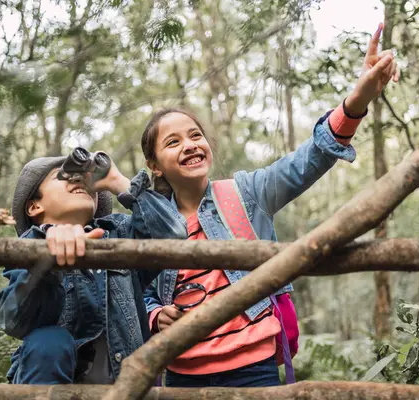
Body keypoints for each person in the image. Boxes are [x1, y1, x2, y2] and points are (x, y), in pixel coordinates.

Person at [142, 23, 400, 388]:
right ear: (154, 165)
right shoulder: (147, 222)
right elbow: (141, 292)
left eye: (195, 135)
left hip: (254, 369)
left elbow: (310, 158)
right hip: (183, 376)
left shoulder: (246, 193)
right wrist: (155, 314)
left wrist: (359, 97)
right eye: (173, 142)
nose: (189, 145)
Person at [0, 153, 186, 384]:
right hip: (53, 385)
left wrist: (116, 180)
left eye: (82, 178)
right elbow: (14, 320)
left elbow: (172, 232)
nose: (77, 180)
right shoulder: (28, 247)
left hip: (127, 387)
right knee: (48, 341)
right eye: (61, 176)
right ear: (34, 206)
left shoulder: (119, 234)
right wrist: (46, 262)